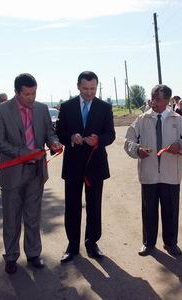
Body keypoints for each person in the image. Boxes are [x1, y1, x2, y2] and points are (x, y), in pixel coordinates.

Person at [0, 73, 61, 274]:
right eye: (27, 94)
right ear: (16, 92)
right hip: (12, 173)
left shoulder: (41, 109)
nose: (31, 97)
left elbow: (49, 131)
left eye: (34, 93)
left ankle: (33, 254)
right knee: (11, 218)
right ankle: (11, 257)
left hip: (36, 172)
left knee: (33, 216)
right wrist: (24, 154)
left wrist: (53, 142)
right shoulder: (1, 111)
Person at [124, 84, 182, 256]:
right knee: (149, 211)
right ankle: (148, 243)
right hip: (149, 174)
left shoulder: (177, 120)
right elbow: (129, 140)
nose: (153, 102)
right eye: (152, 98)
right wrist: (137, 150)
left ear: (168, 101)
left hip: (171, 175)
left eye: (158, 100)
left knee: (170, 211)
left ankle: (171, 243)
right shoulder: (142, 119)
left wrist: (180, 146)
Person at [56, 71, 115, 263]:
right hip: (73, 165)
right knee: (72, 206)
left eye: (93, 88)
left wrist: (99, 140)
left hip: (95, 165)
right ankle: (72, 246)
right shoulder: (67, 107)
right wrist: (70, 138)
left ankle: (92, 244)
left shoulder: (104, 107)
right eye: (85, 88)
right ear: (78, 86)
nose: (89, 93)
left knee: (94, 206)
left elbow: (111, 134)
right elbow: (59, 132)